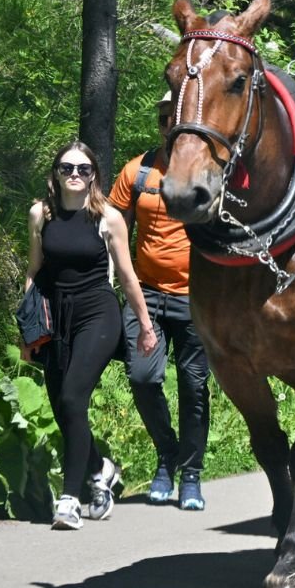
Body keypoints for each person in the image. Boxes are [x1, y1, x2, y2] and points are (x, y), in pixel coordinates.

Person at [23, 141, 157, 530]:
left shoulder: (108, 217)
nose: (75, 175)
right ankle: (101, 469)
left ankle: (70, 500)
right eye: (67, 168)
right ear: (56, 173)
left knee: (72, 397)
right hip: (55, 315)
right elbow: (34, 270)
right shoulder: (40, 214)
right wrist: (27, 328)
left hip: (97, 314)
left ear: (94, 175)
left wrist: (145, 325)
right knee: (62, 408)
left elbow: (128, 276)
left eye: (83, 169)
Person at [108, 94, 213, 510]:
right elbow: (113, 230)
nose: (171, 124)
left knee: (194, 387)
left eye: (178, 117)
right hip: (146, 295)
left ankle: (191, 474)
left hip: (196, 297)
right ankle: (167, 454)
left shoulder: (208, 174)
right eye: (165, 118)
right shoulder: (137, 172)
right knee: (143, 378)